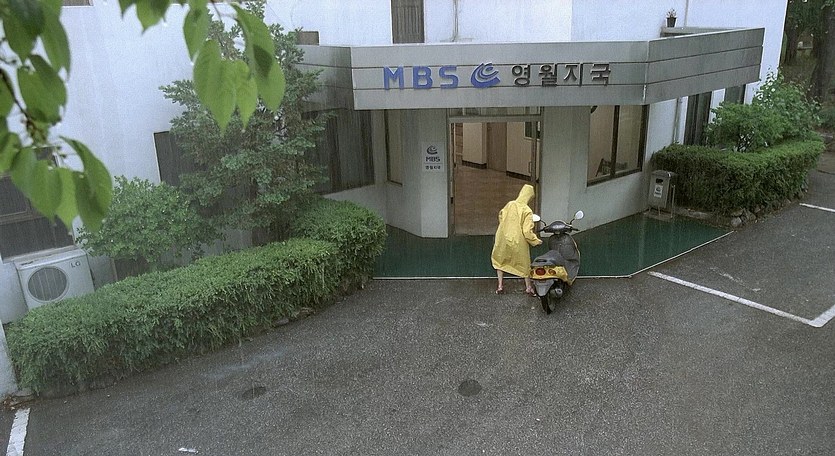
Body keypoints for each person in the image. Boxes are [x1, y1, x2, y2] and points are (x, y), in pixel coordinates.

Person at [490, 184, 542, 295]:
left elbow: (501, 216)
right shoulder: (527, 210)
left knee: (499, 260)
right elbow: (527, 232)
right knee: (524, 264)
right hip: (518, 240)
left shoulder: (510, 204)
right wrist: (536, 241)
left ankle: (500, 286)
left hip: (503, 237)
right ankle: (528, 287)